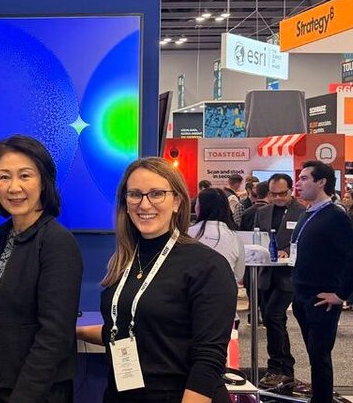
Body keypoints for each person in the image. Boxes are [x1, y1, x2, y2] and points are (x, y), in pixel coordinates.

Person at [77, 157, 237, 403]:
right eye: (135, 195)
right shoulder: (125, 260)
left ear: (177, 201)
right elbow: (130, 328)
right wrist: (73, 331)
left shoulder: (207, 265)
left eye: (157, 194)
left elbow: (208, 360)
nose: (144, 204)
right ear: (125, 203)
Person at [0, 135, 83, 403]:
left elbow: (54, 336)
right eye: (4, 177)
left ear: (43, 181)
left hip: (36, 391)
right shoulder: (2, 236)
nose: (14, 187)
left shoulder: (56, 242)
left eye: (25, 175)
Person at [289, 161, 353, 403]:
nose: (299, 183)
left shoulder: (335, 216)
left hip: (322, 299)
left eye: (304, 178)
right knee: (314, 356)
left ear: (321, 182)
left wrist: (340, 294)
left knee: (320, 358)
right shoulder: (308, 213)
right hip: (302, 296)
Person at [248, 174, 305, 390]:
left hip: (288, 276)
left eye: (282, 193)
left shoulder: (302, 212)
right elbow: (256, 238)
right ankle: (283, 368)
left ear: (291, 191)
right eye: (273, 194)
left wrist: (287, 251)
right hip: (265, 274)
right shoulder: (262, 212)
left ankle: (278, 367)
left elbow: (303, 241)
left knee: (274, 316)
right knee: (274, 321)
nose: (278, 198)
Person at [189, 188, 245, 283]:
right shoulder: (234, 237)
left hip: (191, 288)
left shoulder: (187, 234)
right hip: (225, 288)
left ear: (200, 207)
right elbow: (239, 274)